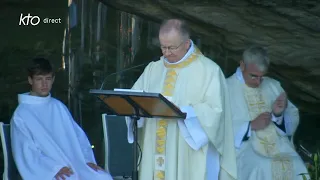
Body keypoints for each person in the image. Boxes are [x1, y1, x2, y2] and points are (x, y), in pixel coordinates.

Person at [125, 19, 237, 180]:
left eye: (172, 47)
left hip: (186, 151)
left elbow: (216, 113)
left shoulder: (208, 70)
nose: (166, 53)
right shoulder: (153, 69)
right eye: (163, 47)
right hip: (154, 146)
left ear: (187, 43)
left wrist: (184, 112)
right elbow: (134, 100)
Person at [10, 58, 113, 180]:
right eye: (39, 79)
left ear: (53, 79)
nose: (44, 84)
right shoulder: (21, 114)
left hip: (75, 164)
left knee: (102, 177)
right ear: (30, 80)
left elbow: (78, 138)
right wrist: (53, 169)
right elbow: (26, 154)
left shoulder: (58, 106)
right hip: (47, 171)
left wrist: (86, 160)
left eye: (48, 79)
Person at [226, 46, 309, 180]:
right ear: (242, 65)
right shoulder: (226, 88)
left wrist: (278, 115)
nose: (258, 82)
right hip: (245, 148)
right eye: (253, 76)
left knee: (297, 164)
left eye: (261, 77)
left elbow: (292, 117)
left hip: (278, 146)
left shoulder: (273, 85)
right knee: (263, 166)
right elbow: (217, 125)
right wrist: (250, 126)